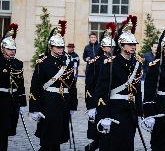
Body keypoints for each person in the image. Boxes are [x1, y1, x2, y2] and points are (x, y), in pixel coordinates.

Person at [94, 15, 143, 151]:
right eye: (130, 44)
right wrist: (103, 115)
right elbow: (101, 91)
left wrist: (139, 112)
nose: (133, 47)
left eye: (134, 44)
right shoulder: (110, 64)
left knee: (127, 146)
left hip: (130, 112)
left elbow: (137, 89)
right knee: (111, 146)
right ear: (121, 45)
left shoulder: (136, 64)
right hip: (113, 112)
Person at [29, 20, 78, 151]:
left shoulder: (68, 62)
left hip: (64, 102)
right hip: (48, 102)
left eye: (62, 47)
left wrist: (73, 104)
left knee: (57, 137)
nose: (61, 49)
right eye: (58, 47)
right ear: (51, 47)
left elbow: (72, 85)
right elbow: (35, 86)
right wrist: (34, 108)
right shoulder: (43, 62)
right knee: (48, 137)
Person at [142, 20, 165, 150]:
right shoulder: (155, 66)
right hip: (160, 106)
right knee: (160, 141)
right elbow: (149, 92)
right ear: (164, 48)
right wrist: (149, 114)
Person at [84, 22, 116, 151]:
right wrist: (91, 105)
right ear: (103, 47)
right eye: (109, 46)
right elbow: (89, 85)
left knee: (110, 133)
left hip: (111, 100)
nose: (111, 48)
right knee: (99, 130)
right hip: (98, 100)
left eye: (112, 46)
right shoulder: (95, 62)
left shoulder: (115, 61)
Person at [0, 23, 27, 151]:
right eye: (9, 49)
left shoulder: (18, 63)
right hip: (1, 100)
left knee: (9, 129)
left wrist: (22, 103)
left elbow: (20, 84)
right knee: (2, 130)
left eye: (13, 49)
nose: (12, 51)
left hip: (13, 100)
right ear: (2, 49)